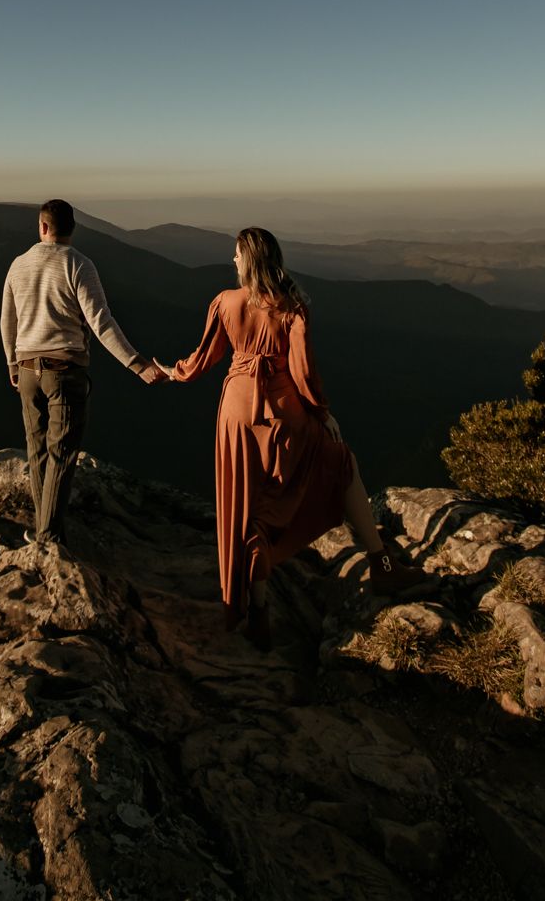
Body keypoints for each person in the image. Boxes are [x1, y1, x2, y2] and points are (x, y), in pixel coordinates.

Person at [161, 226, 423, 648]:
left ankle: (259, 611)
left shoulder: (226, 303)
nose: (232, 261)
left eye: (236, 255)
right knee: (340, 462)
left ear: (249, 260)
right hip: (284, 414)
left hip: (234, 416)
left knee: (249, 508)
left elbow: (203, 358)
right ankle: (382, 565)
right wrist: (322, 412)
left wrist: (174, 371)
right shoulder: (292, 308)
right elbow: (302, 373)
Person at [1, 198, 162, 547]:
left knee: (37, 448)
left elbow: (7, 322)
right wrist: (137, 364)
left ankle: (42, 525)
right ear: (72, 229)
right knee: (62, 452)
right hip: (64, 371)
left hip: (28, 369)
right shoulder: (79, 265)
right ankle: (48, 535)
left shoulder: (18, 265)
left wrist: (13, 365)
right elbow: (101, 323)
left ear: (43, 227)